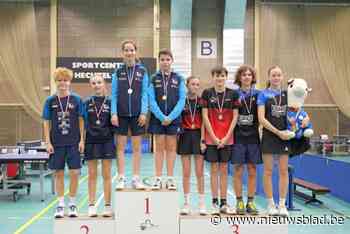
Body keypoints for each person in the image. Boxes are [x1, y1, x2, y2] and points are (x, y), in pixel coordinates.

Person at [42, 67, 84, 218]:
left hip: (73, 143)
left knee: (74, 173)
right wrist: (48, 142)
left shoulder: (77, 100)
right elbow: (46, 122)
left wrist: (82, 140)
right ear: (55, 82)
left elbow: (81, 120)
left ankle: (72, 203)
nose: (62, 83)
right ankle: (60, 204)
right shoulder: (50, 101)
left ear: (69, 82)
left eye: (65, 80)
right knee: (58, 173)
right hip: (56, 143)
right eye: (59, 80)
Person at [111, 40, 149, 190]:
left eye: (131, 50)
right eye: (126, 50)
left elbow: (145, 93)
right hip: (120, 114)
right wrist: (113, 113)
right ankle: (121, 178)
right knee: (120, 147)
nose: (129, 52)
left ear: (135, 52)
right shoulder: (118, 72)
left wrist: (144, 112)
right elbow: (113, 94)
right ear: (123, 53)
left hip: (137, 115)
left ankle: (135, 178)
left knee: (136, 148)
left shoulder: (143, 71)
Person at [201, 66, 240, 214]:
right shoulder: (207, 93)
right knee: (213, 170)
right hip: (212, 140)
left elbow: (235, 117)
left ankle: (224, 203)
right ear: (213, 77)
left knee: (224, 171)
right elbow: (205, 116)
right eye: (217, 75)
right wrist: (213, 137)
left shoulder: (233, 94)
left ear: (226, 77)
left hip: (227, 140)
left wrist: (225, 137)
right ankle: (214, 203)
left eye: (222, 75)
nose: (220, 78)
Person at [148, 49, 186, 190]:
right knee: (159, 149)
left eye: (167, 59)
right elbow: (151, 100)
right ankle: (158, 178)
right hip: (158, 119)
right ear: (159, 61)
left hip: (173, 119)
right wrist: (161, 117)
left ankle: (170, 178)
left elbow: (182, 100)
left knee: (171, 149)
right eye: (162, 59)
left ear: (172, 61)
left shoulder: (179, 78)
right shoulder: (153, 78)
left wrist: (170, 117)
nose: (165, 62)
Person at [257, 65, 290, 216]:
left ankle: (282, 204)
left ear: (282, 77)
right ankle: (271, 204)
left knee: (284, 171)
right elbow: (261, 119)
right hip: (270, 136)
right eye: (273, 75)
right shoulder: (263, 94)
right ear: (269, 77)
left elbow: (296, 112)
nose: (276, 78)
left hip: (285, 138)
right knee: (268, 171)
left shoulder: (287, 94)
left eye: (279, 75)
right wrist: (278, 132)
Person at [231, 65, 262, 215]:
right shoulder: (233, 94)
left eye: (249, 75)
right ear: (239, 77)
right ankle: (239, 202)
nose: (247, 77)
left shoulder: (258, 94)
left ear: (252, 77)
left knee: (252, 170)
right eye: (244, 75)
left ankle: (250, 201)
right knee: (237, 170)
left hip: (253, 138)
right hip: (237, 137)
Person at [83, 74, 115, 217]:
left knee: (107, 175)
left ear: (104, 84)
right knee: (92, 175)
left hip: (107, 141)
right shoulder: (86, 102)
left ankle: (107, 206)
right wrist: (82, 141)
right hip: (91, 141)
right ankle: (91, 205)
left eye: (99, 82)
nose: (96, 85)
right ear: (91, 85)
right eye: (94, 83)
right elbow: (82, 124)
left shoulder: (110, 102)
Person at [177, 76, 207, 215]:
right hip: (184, 136)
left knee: (200, 173)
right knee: (186, 173)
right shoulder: (181, 101)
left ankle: (201, 204)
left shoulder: (202, 102)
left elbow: (204, 122)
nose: (195, 86)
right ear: (187, 85)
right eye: (192, 84)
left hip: (198, 136)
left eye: (197, 84)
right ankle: (186, 203)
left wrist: (202, 140)